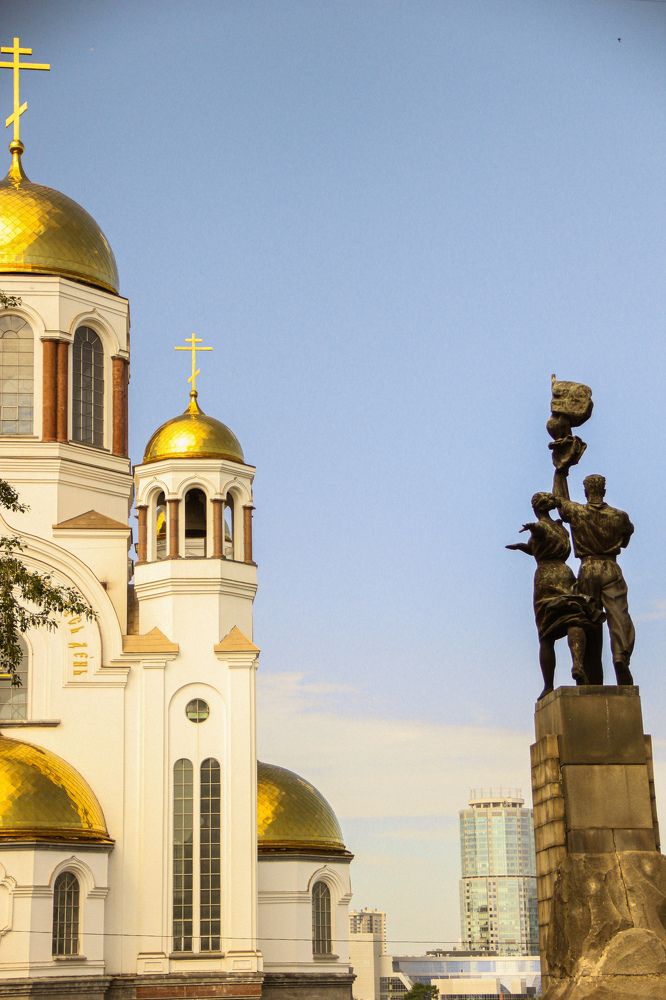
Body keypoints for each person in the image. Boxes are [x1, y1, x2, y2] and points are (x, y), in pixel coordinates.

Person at [507, 492, 604, 700]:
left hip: (546, 578)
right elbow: (539, 545)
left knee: (546, 635)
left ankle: (548, 685)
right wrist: (522, 547)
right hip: (565, 574)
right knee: (573, 618)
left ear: (536, 508)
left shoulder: (541, 527)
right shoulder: (560, 528)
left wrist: (532, 528)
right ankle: (577, 663)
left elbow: (540, 532)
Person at [551, 474, 634, 685]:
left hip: (587, 568)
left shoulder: (578, 512)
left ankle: (592, 674)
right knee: (619, 615)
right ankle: (620, 656)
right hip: (611, 567)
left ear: (586, 491)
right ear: (603, 491)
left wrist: (560, 473)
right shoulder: (620, 516)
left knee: (589, 620)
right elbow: (625, 541)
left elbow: (559, 500)